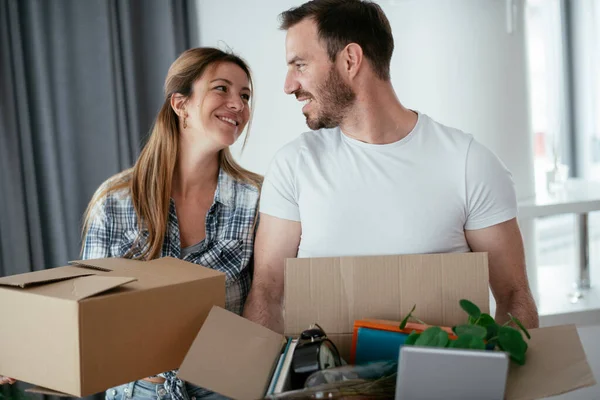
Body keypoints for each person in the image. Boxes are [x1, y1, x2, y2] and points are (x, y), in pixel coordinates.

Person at [243, 0, 539, 333]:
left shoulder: (469, 164)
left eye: (300, 65)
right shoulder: (293, 165)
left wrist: (494, 375)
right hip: (324, 382)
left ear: (350, 60)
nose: (288, 84)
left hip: (445, 383)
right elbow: (266, 293)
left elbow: (515, 298)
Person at [0, 48, 261, 398]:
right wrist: (21, 353)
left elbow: (270, 298)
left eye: (245, 95)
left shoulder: (257, 199)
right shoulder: (116, 200)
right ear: (180, 104)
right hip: (138, 390)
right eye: (222, 89)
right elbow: (85, 308)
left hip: (225, 384)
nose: (238, 104)